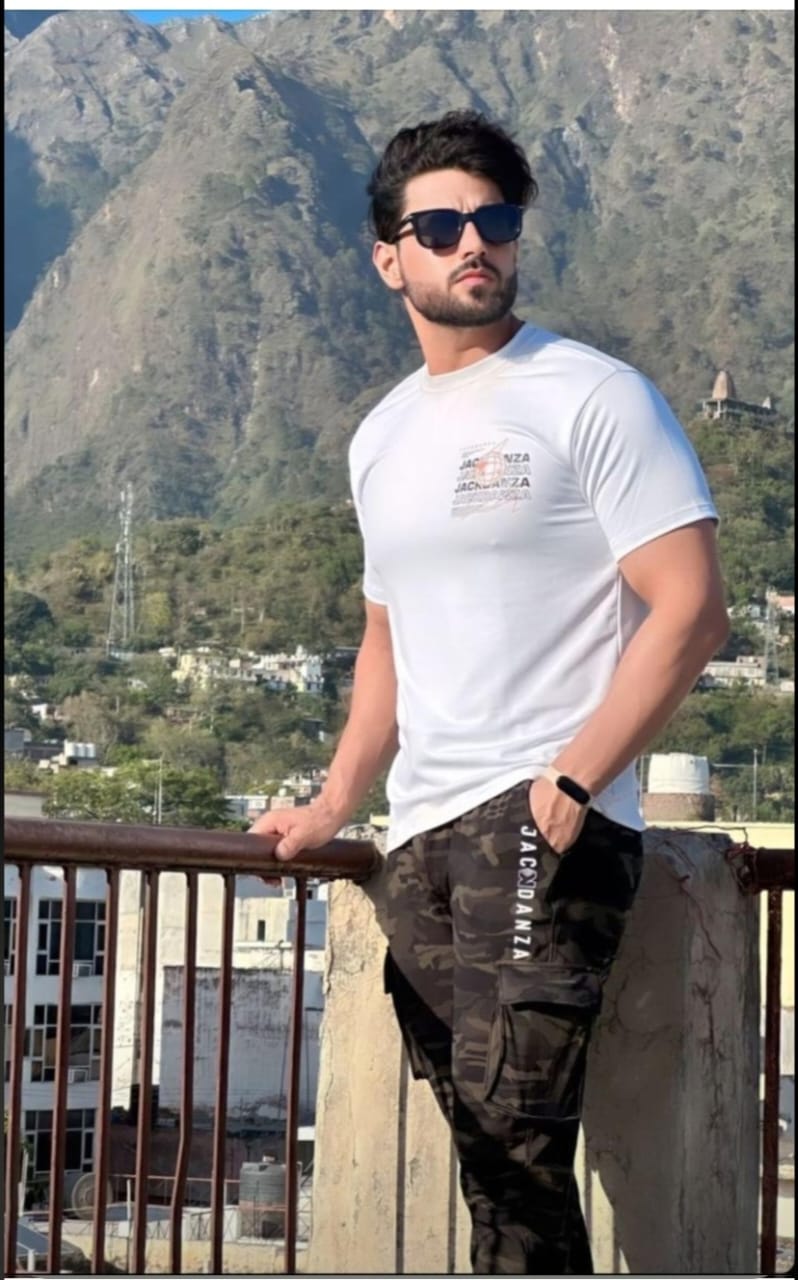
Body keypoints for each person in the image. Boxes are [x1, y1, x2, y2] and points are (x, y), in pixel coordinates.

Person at [250, 110, 729, 1275]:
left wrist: (573, 777)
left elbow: (692, 607)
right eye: (442, 225)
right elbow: (386, 639)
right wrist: (332, 804)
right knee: (490, 1156)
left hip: (540, 821)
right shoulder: (380, 438)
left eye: (496, 219)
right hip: (416, 837)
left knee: (515, 1152)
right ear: (389, 257)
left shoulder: (593, 394)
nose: (475, 242)